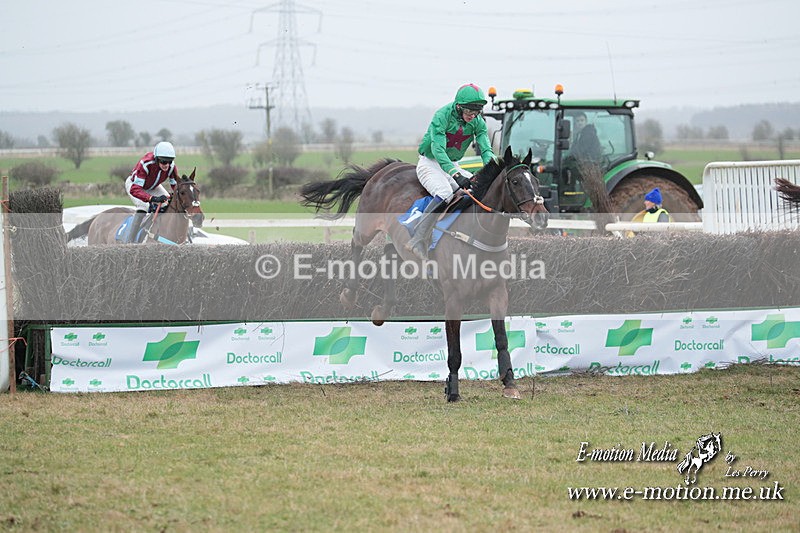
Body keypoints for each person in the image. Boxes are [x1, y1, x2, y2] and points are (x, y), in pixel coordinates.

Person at [406, 83, 494, 260]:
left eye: (476, 112)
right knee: (445, 193)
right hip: (430, 163)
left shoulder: (478, 122)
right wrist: (456, 174)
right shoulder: (442, 116)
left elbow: (486, 150)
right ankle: (418, 238)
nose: (473, 116)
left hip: (452, 164)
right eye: (469, 112)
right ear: (459, 106)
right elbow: (438, 150)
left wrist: (492, 170)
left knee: (475, 190)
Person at [124, 141, 178, 243]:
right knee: (144, 206)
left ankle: (161, 232)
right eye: (163, 161)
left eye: (170, 161)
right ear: (156, 159)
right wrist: (152, 199)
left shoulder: (172, 167)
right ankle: (130, 241)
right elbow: (135, 189)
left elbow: (175, 186)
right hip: (135, 186)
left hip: (153, 186)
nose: (167, 165)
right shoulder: (146, 164)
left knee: (168, 204)